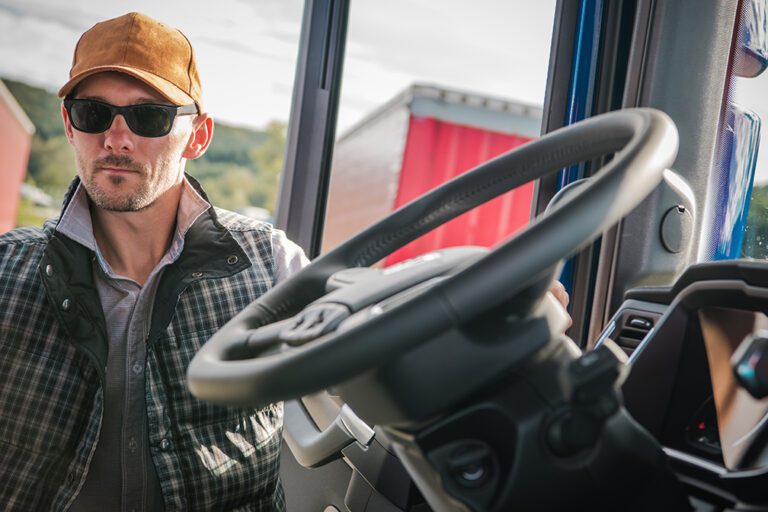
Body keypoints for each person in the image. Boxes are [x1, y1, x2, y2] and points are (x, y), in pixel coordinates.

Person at [0, 12, 306, 511]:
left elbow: (370, 364)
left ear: (198, 136)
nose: (116, 139)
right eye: (93, 113)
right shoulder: (6, 274)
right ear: (70, 126)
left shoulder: (270, 266)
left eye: (149, 117)